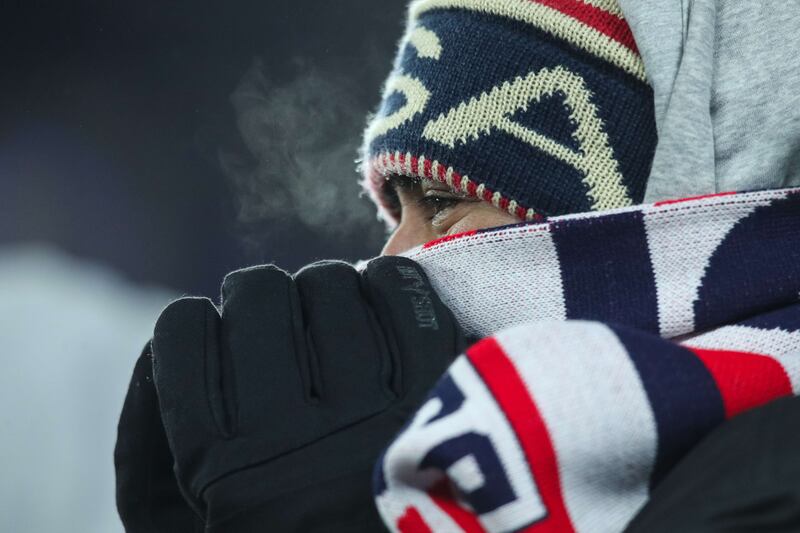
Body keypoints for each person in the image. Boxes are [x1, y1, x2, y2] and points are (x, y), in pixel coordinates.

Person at [115, 0, 800, 531]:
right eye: (396, 213)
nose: (393, 261)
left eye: (445, 204)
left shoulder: (773, 480)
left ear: (665, 216)